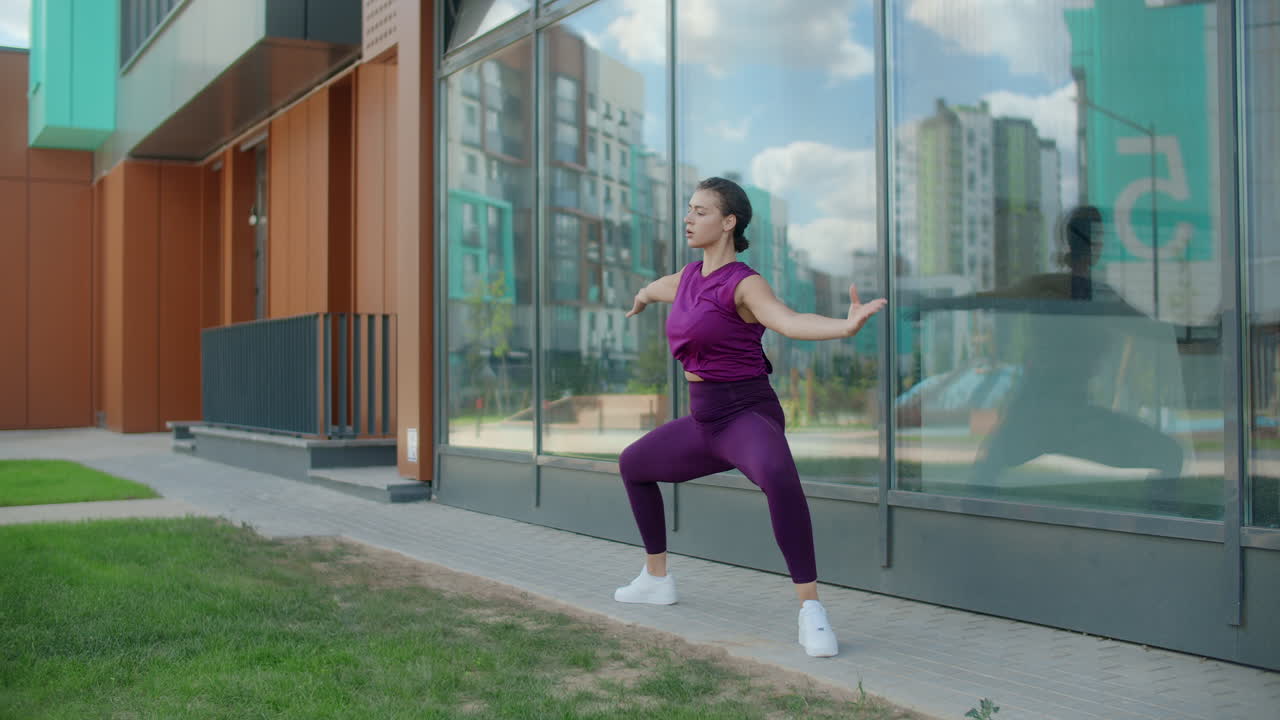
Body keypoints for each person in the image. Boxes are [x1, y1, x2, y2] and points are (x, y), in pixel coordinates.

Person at [614, 176, 886, 658]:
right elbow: (658, 289)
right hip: (705, 424)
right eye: (689, 209)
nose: (688, 218)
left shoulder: (744, 283)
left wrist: (845, 327)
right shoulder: (688, 278)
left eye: (700, 211)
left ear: (728, 222)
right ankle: (656, 579)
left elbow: (787, 320)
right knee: (634, 465)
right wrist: (639, 298)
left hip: (745, 415)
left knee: (779, 478)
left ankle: (811, 611)